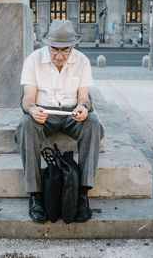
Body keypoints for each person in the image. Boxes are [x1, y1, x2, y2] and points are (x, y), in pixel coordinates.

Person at [15, 19, 104, 223]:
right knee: (25, 125)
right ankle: (35, 196)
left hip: (72, 114)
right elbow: (27, 98)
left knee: (93, 122)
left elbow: (84, 97)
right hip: (43, 113)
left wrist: (83, 107)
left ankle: (82, 195)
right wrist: (31, 109)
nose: (59, 56)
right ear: (47, 44)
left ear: (72, 46)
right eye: (55, 49)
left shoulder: (82, 61)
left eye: (65, 50)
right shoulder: (33, 60)